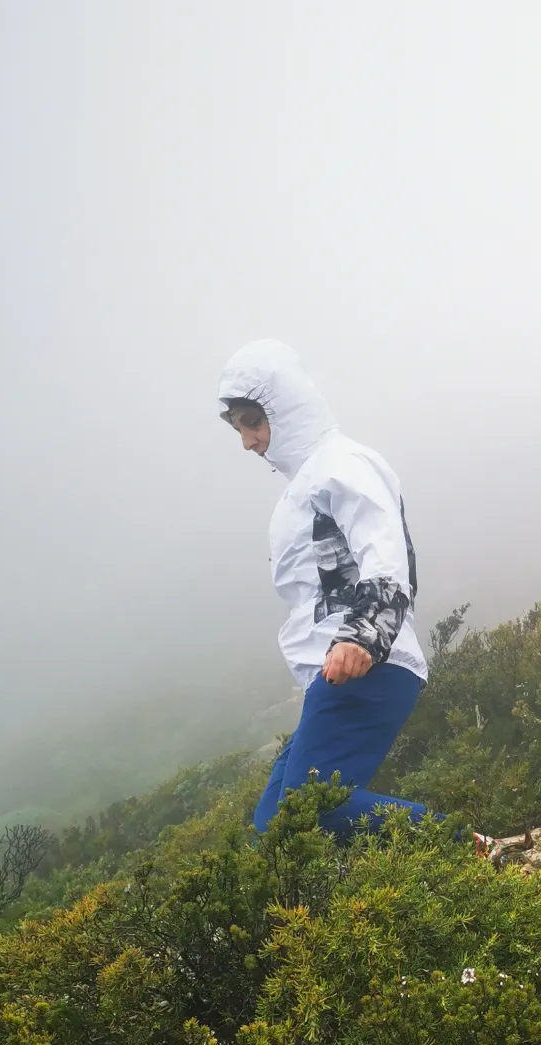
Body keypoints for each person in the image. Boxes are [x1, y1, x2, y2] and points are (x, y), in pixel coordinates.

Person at [218, 338, 432, 836]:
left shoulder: (343, 464)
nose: (248, 441)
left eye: (254, 422)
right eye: (239, 428)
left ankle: (472, 850)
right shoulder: (307, 481)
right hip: (336, 670)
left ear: (284, 408)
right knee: (276, 823)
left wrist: (362, 635)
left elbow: (385, 553)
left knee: (309, 809)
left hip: (365, 662)